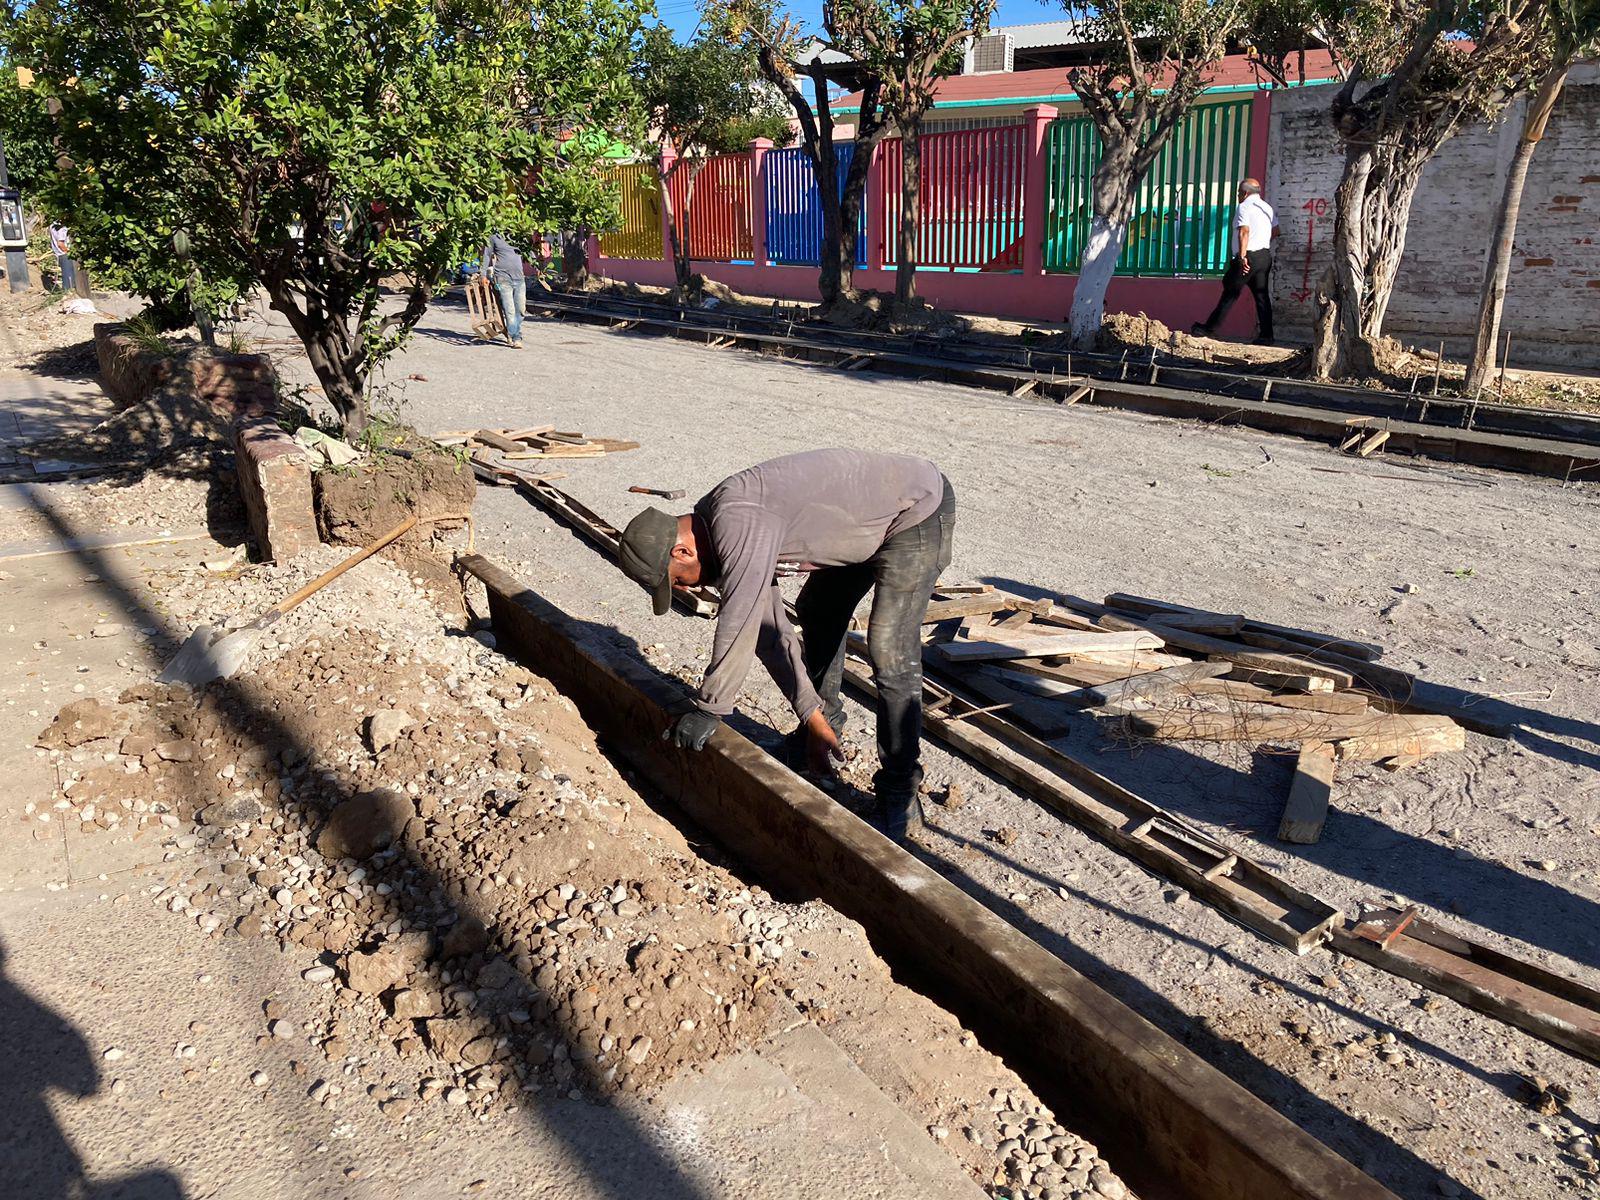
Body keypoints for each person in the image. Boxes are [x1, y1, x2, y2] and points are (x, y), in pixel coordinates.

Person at [617, 449, 956, 841]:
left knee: (888, 647)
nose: (687, 588)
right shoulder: (721, 530)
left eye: (678, 580)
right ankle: (824, 733)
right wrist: (812, 716)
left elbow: (739, 623)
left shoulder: (736, 521)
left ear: (683, 551)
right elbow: (769, 630)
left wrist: (710, 709)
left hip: (915, 510)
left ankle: (900, 790)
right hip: (868, 519)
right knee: (818, 610)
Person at [1192, 178, 1279, 346]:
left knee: (1230, 290)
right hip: (1264, 256)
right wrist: (1261, 241)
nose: (1238, 196)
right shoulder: (1267, 208)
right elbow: (1276, 231)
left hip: (1249, 257)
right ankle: (1267, 336)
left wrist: (1243, 257)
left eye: (1239, 193)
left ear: (1245, 193)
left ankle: (1209, 329)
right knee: (1261, 296)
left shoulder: (1244, 207)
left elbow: (1244, 232)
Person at [480, 232, 525, 348]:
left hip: (519, 278)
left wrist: (539, 266)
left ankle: (512, 331)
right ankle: (516, 337)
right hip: (502, 277)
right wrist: (483, 274)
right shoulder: (495, 236)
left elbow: (530, 253)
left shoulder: (520, 235)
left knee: (520, 309)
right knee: (509, 309)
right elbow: (487, 255)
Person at [47, 224, 74, 293]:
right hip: (64, 253)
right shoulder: (62, 228)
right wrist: (68, 251)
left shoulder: (52, 225)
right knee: (69, 277)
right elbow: (60, 244)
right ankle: (68, 293)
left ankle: (66, 292)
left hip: (58, 253)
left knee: (65, 275)